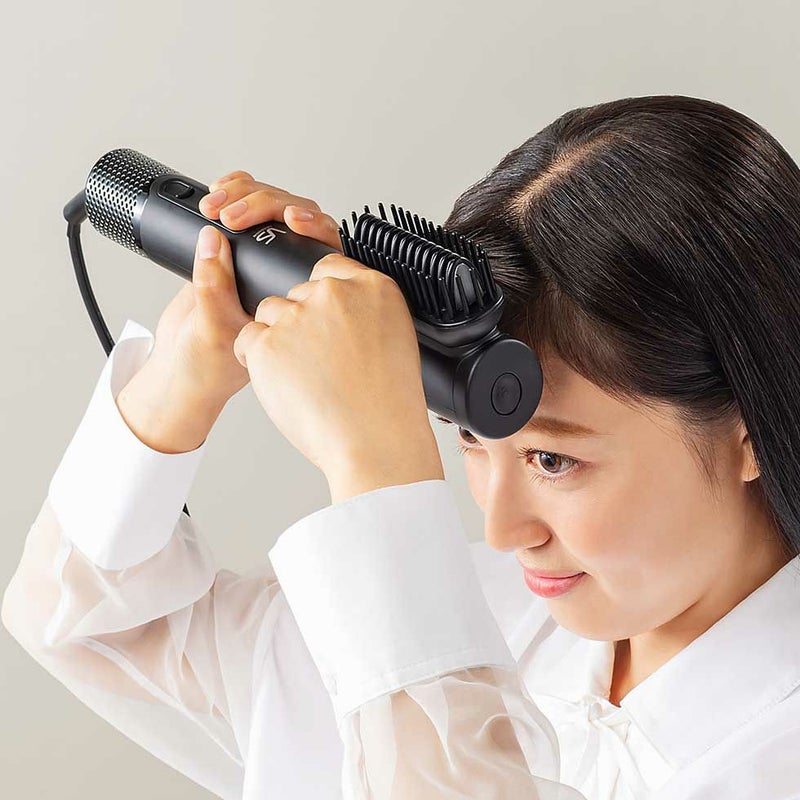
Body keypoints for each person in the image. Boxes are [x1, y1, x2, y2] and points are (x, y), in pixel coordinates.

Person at [3, 93, 800, 800]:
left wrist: (378, 475)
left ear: (748, 430)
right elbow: (90, 626)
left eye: (553, 460)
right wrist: (185, 372)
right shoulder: (487, 605)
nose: (501, 530)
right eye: (471, 437)